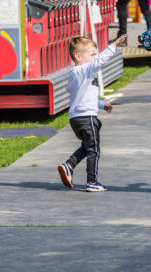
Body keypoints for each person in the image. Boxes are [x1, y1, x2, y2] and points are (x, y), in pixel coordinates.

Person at [58, 34, 127, 192]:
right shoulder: (84, 70)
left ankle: (69, 165)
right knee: (94, 149)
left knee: (88, 146)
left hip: (76, 118)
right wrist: (114, 45)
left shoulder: (76, 74)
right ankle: (92, 181)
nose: (95, 58)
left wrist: (102, 104)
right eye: (92, 54)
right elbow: (100, 62)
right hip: (86, 117)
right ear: (79, 56)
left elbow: (85, 97)